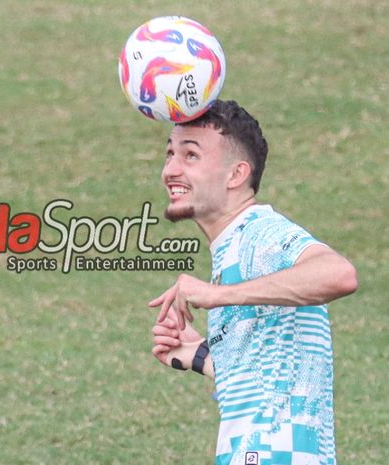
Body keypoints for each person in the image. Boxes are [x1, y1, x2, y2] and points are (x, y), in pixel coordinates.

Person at [148, 100, 357, 465]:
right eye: (170, 153)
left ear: (236, 174)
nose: (171, 169)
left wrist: (219, 296)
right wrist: (201, 356)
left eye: (191, 155)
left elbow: (339, 273)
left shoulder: (258, 234)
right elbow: (272, 375)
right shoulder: (233, 248)